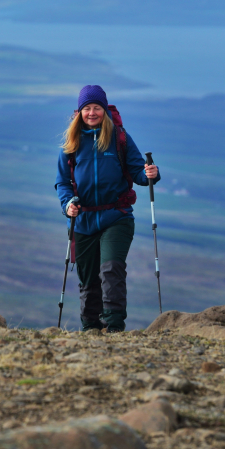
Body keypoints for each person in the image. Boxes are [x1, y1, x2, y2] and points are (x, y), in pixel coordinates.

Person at [55, 85, 160, 333]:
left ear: (105, 110)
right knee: (88, 278)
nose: (92, 113)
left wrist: (150, 175)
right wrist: (68, 204)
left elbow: (137, 171)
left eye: (97, 108)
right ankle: (90, 328)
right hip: (83, 220)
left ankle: (113, 327)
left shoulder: (119, 137)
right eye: (87, 108)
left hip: (116, 216)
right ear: (79, 112)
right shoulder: (71, 143)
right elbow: (62, 183)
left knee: (111, 269)